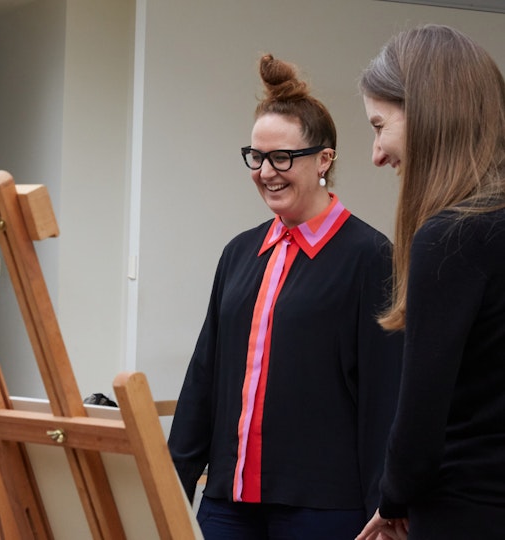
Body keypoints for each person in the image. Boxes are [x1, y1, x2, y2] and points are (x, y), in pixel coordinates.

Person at [167, 53, 404, 539]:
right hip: (228, 503)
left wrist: (386, 505)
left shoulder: (371, 256)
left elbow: (386, 396)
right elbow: (205, 375)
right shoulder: (239, 253)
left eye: (282, 157)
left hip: (323, 508)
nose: (266, 171)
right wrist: (173, 481)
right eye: (256, 157)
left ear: (324, 159)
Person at [356, 24, 505, 540]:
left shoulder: (452, 237)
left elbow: (421, 415)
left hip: (464, 512)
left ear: (426, 114)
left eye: (379, 125)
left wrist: (393, 496)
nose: (377, 154)